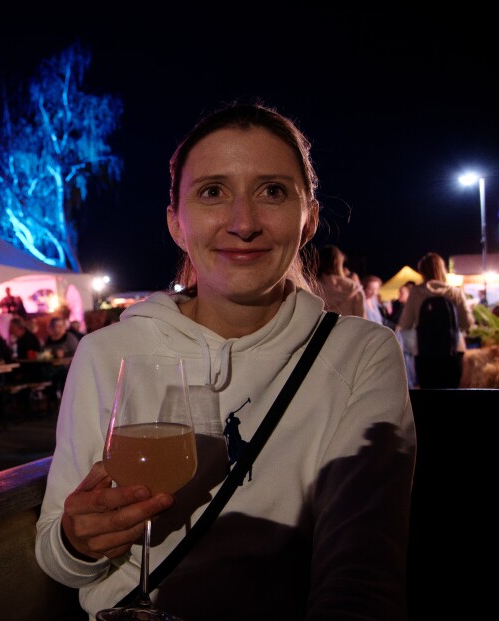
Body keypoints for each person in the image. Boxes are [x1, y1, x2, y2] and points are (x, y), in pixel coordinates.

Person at [35, 102, 416, 620]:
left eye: (273, 192)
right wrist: (77, 542)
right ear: (176, 222)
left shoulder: (362, 354)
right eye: (213, 191)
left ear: (310, 219)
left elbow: (362, 574)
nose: (243, 223)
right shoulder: (108, 354)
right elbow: (59, 555)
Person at [397, 252, 474, 389]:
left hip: (425, 354)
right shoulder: (455, 292)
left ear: (422, 271)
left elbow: (405, 324)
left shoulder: (416, 292)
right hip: (454, 352)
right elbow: (467, 323)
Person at [314, 244, 366, 317]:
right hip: (347, 327)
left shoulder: (311, 286)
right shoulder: (353, 287)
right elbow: (362, 320)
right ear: (339, 263)